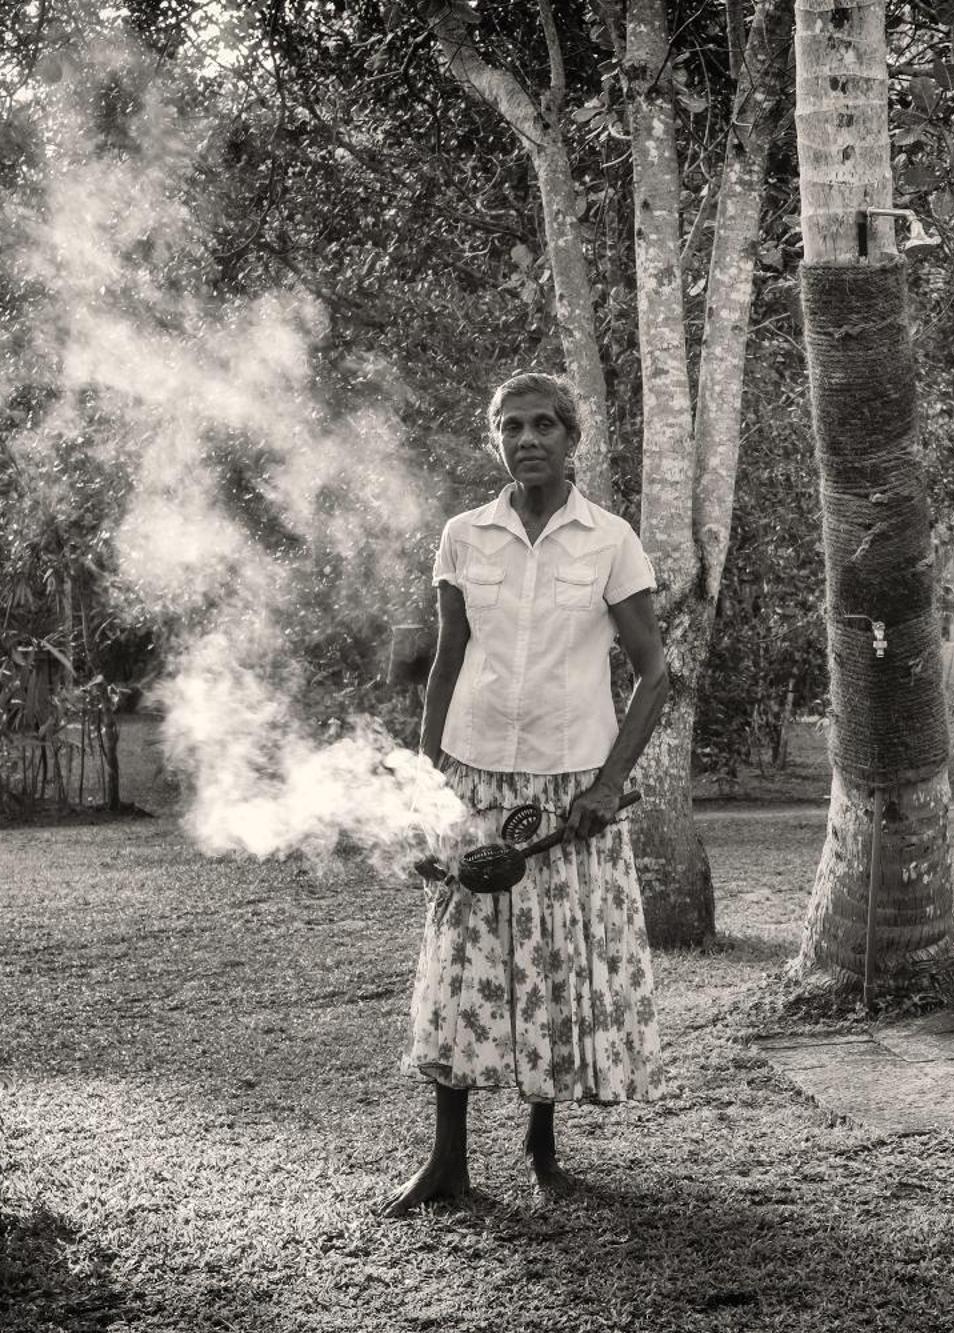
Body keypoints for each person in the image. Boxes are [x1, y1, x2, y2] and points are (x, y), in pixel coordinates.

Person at [384, 371, 669, 1215]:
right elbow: (447, 663)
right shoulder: (464, 536)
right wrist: (422, 782)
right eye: (511, 426)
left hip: (569, 786)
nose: (528, 438)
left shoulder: (611, 540)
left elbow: (655, 675)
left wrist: (609, 783)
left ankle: (543, 1148)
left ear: (571, 437)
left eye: (544, 423)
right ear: (495, 440)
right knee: (462, 964)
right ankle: (447, 1164)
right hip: (473, 777)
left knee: (547, 961)